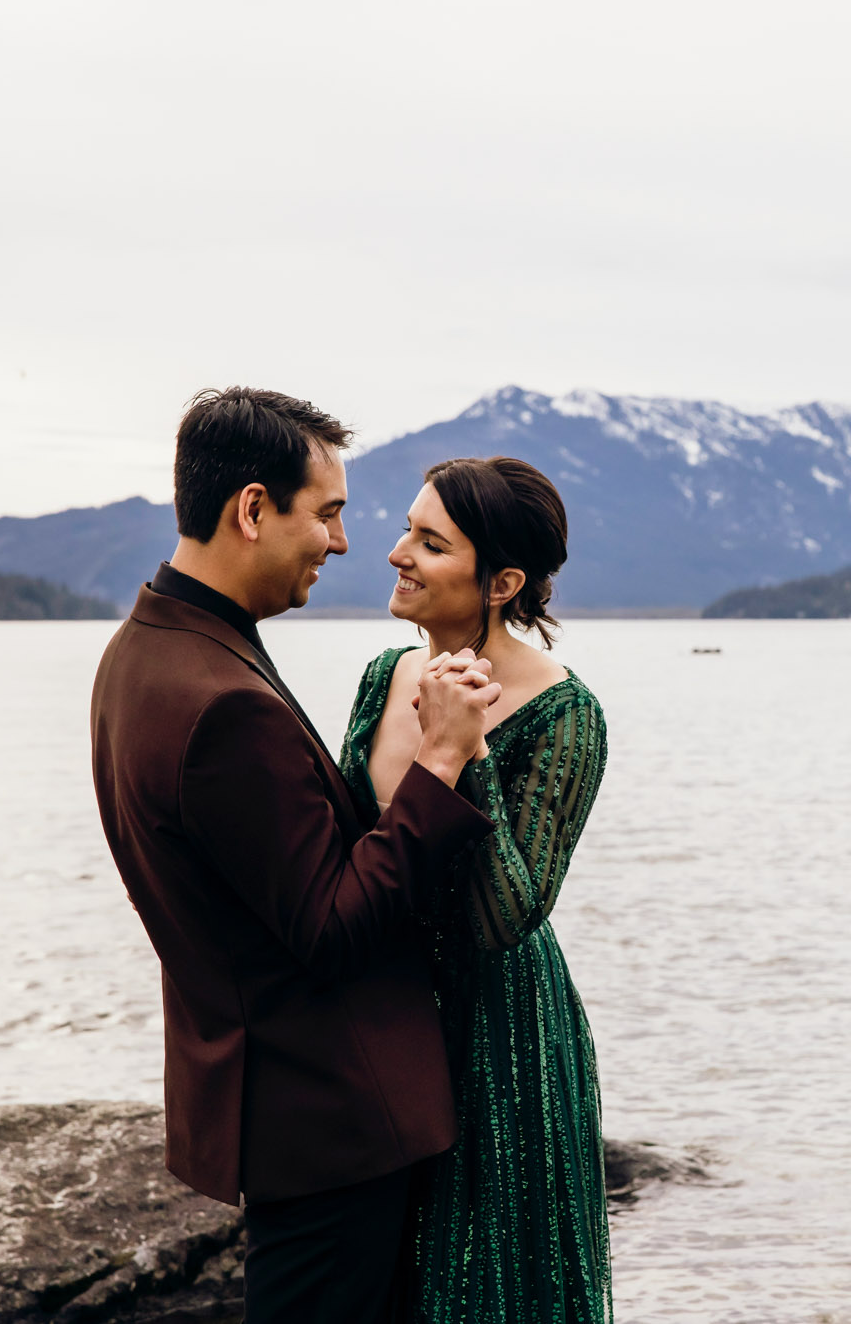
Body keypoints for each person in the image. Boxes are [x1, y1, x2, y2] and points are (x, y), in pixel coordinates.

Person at [89, 387, 503, 1324]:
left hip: (275, 1107)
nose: (344, 542)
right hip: (333, 1121)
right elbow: (330, 925)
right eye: (326, 514)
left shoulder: (142, 653)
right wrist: (438, 759)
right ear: (251, 510)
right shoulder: (221, 701)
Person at [339, 456, 612, 1323]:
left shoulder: (565, 715)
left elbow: (504, 916)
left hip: (501, 1043)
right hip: (385, 1026)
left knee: (488, 1293)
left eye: (429, 542)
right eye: (406, 531)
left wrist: (467, 751)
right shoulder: (384, 677)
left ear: (502, 582)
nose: (395, 555)